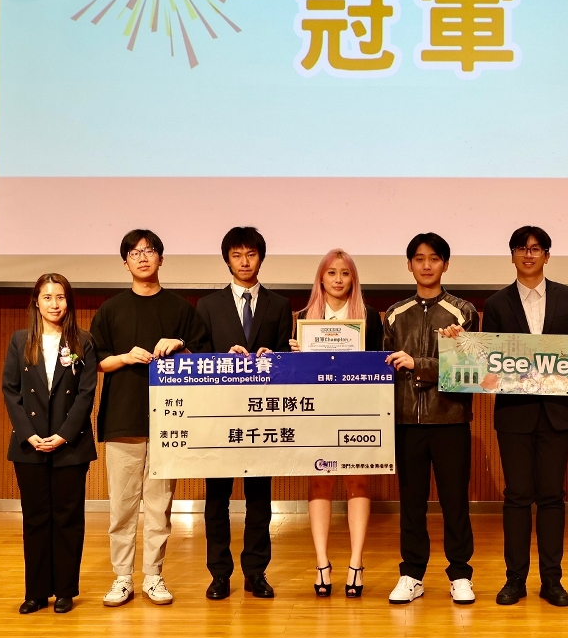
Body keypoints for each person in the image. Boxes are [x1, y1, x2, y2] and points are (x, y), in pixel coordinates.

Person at [91, 229, 210, 608]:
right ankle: (122, 577)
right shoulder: (110, 310)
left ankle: (154, 576)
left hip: (168, 422)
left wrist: (179, 344)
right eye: (134, 252)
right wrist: (125, 357)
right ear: (124, 262)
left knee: (160, 507)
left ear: (161, 258)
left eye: (150, 250)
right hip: (122, 419)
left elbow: (203, 355)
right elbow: (97, 360)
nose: (143, 257)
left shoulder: (180, 309)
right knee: (122, 506)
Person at [481, 226, 568, 607]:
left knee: (551, 497)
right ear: (512, 255)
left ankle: (552, 580)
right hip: (514, 414)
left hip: (557, 413)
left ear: (547, 255)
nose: (528, 255)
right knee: (516, 497)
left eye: (535, 248)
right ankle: (515, 580)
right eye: (521, 248)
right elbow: (487, 361)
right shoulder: (496, 303)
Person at [196, 226, 294, 600]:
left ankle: (256, 572)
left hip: (263, 414)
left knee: (259, 499)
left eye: (251, 254)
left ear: (261, 258)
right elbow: (199, 358)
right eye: (237, 255)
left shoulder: (279, 305)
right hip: (220, 416)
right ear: (227, 260)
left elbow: (286, 361)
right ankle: (219, 574)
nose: (244, 262)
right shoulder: (208, 305)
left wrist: (275, 357)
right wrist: (223, 359)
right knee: (216, 499)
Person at [384, 232, 478, 606]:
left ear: (445, 265)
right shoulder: (395, 314)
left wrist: (419, 364)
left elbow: (470, 369)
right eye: (419, 259)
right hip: (406, 421)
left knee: (455, 502)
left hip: (450, 419)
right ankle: (411, 574)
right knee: (411, 503)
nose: (426, 265)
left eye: (434, 258)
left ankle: (460, 575)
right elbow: (384, 366)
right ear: (409, 265)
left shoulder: (463, 312)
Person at [288, 248, 383, 598]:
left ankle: (356, 562)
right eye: (331, 273)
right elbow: (290, 376)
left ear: (353, 279)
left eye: (345, 273)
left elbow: (380, 365)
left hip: (358, 410)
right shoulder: (302, 318)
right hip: (316, 411)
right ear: (321, 278)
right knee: (319, 481)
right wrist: (296, 358)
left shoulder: (369, 317)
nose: (338, 279)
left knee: (358, 480)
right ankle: (322, 563)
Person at [1, 273, 99, 615]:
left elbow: (86, 393)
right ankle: (36, 592)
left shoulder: (83, 341)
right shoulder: (20, 340)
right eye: (47, 297)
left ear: (68, 302)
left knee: (68, 518)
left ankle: (65, 591)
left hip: (70, 444)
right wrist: (28, 433)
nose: (54, 304)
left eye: (60, 297)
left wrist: (64, 434)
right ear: (36, 302)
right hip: (29, 444)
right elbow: (10, 389)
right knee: (35, 519)